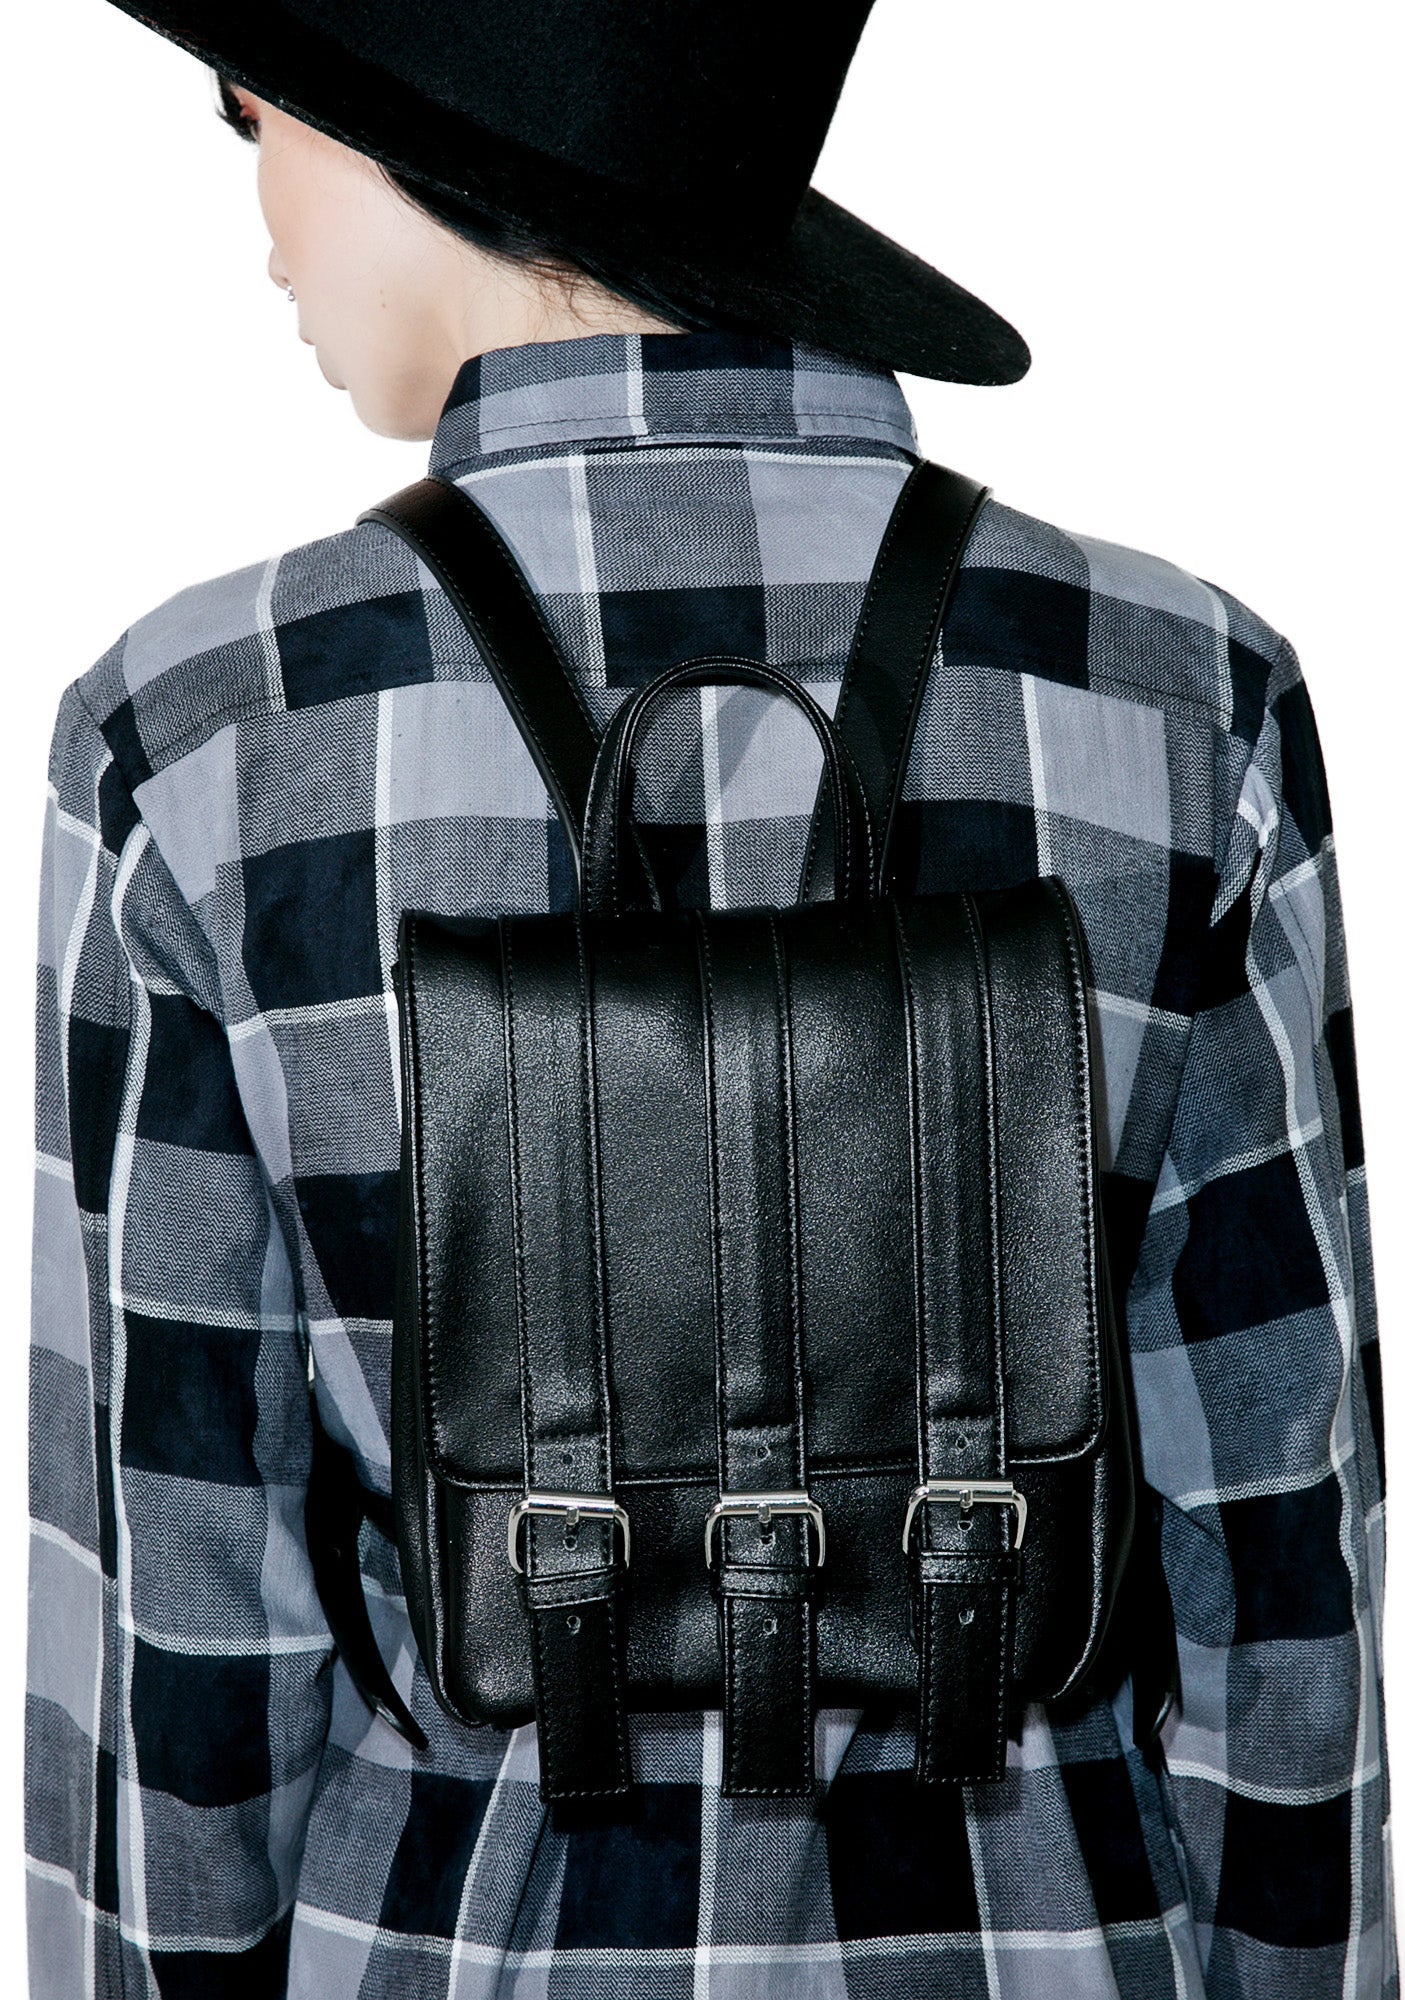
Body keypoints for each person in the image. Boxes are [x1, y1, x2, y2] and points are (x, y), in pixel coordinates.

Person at [26, 4, 1392, 1997]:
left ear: (428, 153)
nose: (256, 217)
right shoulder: (1185, 696)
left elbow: (181, 1637)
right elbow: (1283, 1578)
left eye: (249, 117)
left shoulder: (197, 739)